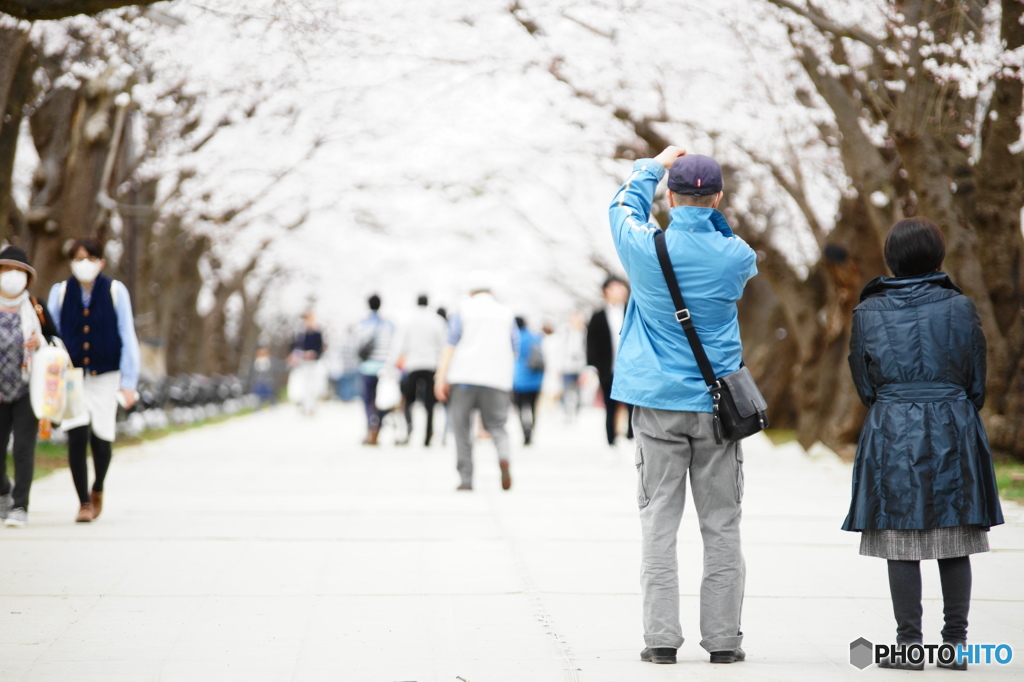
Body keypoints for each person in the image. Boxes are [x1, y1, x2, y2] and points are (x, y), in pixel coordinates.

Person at [609, 148, 757, 665]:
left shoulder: (643, 248)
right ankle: (722, 642)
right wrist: (708, 214)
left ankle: (660, 641)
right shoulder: (737, 255)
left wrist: (652, 165)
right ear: (717, 198)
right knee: (721, 525)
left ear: (669, 197)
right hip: (718, 409)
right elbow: (726, 242)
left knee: (658, 524)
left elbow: (621, 207)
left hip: (656, 405)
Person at [843, 218, 1003, 671]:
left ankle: (908, 646)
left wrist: (896, 404)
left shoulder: (867, 312)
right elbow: (977, 379)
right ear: (938, 255)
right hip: (954, 420)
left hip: (891, 424)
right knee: (954, 538)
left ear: (892, 258)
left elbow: (864, 382)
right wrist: (951, 405)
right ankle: (955, 647)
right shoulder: (961, 307)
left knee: (901, 538)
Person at [47, 238, 141, 523]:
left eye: (88, 257)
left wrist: (129, 382)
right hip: (73, 375)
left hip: (106, 376)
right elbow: (52, 333)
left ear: (100, 262)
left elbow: (127, 333)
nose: (82, 263)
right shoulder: (61, 292)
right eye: (77, 258)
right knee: (76, 435)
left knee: (102, 438)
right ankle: (84, 502)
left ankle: (98, 486)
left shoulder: (114, 291)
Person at [434, 274, 518, 491]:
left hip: (463, 377)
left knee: (461, 428)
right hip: (496, 379)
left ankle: (466, 479)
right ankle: (504, 457)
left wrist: (441, 377)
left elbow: (450, 345)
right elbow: (514, 349)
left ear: (471, 293)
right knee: (498, 426)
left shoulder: (462, 310)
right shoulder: (506, 313)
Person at [0, 246, 60, 528]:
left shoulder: (36, 307)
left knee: (23, 448)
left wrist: (41, 344)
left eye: (17, 271)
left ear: (26, 276)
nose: (11, 276)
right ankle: (3, 492)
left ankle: (20, 504)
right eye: (5, 269)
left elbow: (58, 345)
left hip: (28, 390)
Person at [386, 295, 447, 446]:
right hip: (432, 364)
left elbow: (399, 345)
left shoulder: (408, 320)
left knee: (409, 400)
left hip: (412, 364)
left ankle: (409, 428)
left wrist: (391, 364)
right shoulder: (437, 321)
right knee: (429, 403)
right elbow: (444, 345)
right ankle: (428, 435)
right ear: (428, 303)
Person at [587, 275, 633, 445]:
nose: (621, 291)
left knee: (633, 406)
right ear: (606, 291)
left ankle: (631, 439)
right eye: (616, 287)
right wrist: (592, 367)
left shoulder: (632, 311)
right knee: (610, 406)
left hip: (631, 368)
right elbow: (591, 343)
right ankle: (611, 443)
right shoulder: (598, 316)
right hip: (608, 369)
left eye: (622, 287)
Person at [356, 294, 394, 445]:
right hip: (384, 369)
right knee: (384, 401)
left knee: (367, 400)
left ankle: (371, 427)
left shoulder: (362, 325)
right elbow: (394, 346)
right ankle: (377, 426)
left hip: (367, 368)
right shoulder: (389, 325)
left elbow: (357, 347)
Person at [512, 316, 544, 446]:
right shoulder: (535, 337)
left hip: (519, 380)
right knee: (533, 408)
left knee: (520, 409)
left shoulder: (516, 338)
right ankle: (532, 432)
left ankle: (525, 433)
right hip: (536, 379)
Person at [288, 311, 325, 416]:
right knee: (303, 386)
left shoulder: (317, 333)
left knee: (313, 387)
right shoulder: (300, 334)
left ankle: (312, 407)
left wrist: (313, 354)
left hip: (313, 364)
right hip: (302, 363)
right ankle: (304, 406)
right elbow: (293, 347)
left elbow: (320, 348)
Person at [559, 312, 587, 422]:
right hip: (566, 367)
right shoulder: (565, 332)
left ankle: (576, 412)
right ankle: (567, 412)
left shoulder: (584, 332)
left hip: (580, 367)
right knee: (566, 391)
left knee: (579, 391)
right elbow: (560, 349)